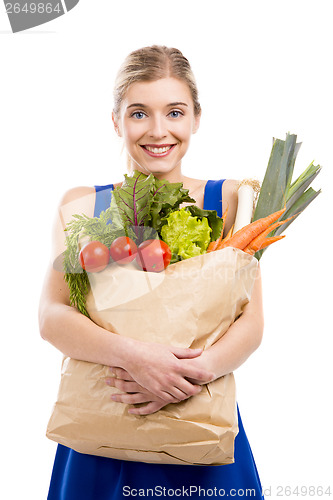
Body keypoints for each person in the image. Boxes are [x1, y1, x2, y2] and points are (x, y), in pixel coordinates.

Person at [40, 45, 265, 499]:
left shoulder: (231, 200)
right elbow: (52, 315)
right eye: (139, 113)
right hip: (104, 427)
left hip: (197, 427)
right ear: (116, 121)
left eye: (175, 112)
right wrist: (137, 359)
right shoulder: (83, 206)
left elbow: (252, 321)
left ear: (196, 118)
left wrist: (186, 377)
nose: (158, 131)